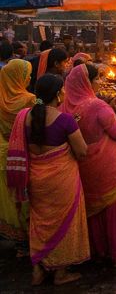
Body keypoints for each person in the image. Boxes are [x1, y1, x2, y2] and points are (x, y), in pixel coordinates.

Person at [7, 73, 89, 285]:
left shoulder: (24, 116)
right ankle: (60, 273)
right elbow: (82, 151)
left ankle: (37, 270)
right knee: (63, 223)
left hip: (36, 180)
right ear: (57, 94)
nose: (64, 92)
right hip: (61, 181)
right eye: (62, 89)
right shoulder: (65, 120)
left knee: (39, 222)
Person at [62, 64, 116, 266]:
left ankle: (99, 250)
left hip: (85, 166)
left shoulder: (66, 106)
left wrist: (111, 108)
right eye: (97, 78)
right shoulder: (96, 106)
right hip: (108, 167)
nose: (100, 82)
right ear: (86, 82)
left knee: (96, 210)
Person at [0, 60, 36, 245]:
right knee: (25, 193)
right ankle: (27, 237)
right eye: (27, 75)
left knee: (9, 193)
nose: (29, 78)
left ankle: (14, 235)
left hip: (5, 151)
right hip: (24, 152)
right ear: (18, 78)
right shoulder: (29, 99)